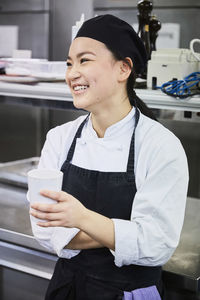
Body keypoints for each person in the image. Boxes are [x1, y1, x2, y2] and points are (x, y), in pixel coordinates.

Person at [28, 14, 189, 300]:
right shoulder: (60, 138)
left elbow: (156, 245)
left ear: (123, 68)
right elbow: (44, 229)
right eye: (69, 63)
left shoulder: (160, 145)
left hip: (130, 293)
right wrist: (123, 233)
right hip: (67, 288)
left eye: (84, 60)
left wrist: (81, 218)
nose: (71, 73)